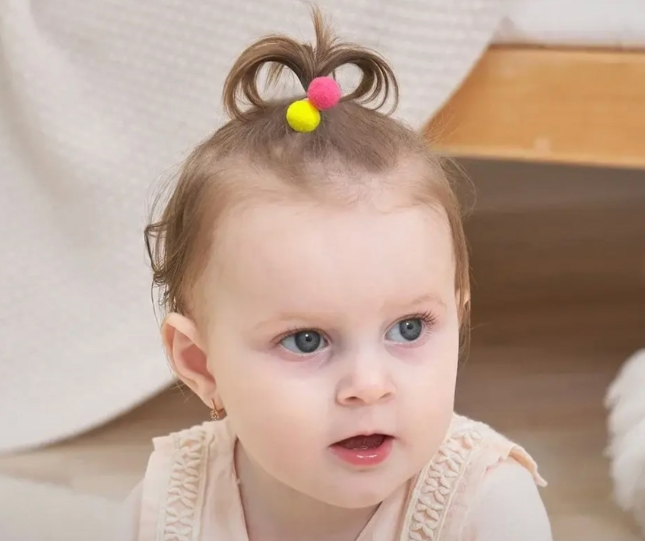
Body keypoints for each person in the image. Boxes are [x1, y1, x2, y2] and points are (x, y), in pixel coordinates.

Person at [119, 9, 553, 541]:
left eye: (409, 328)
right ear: (200, 362)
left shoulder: (487, 507)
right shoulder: (166, 507)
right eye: (306, 340)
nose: (368, 386)